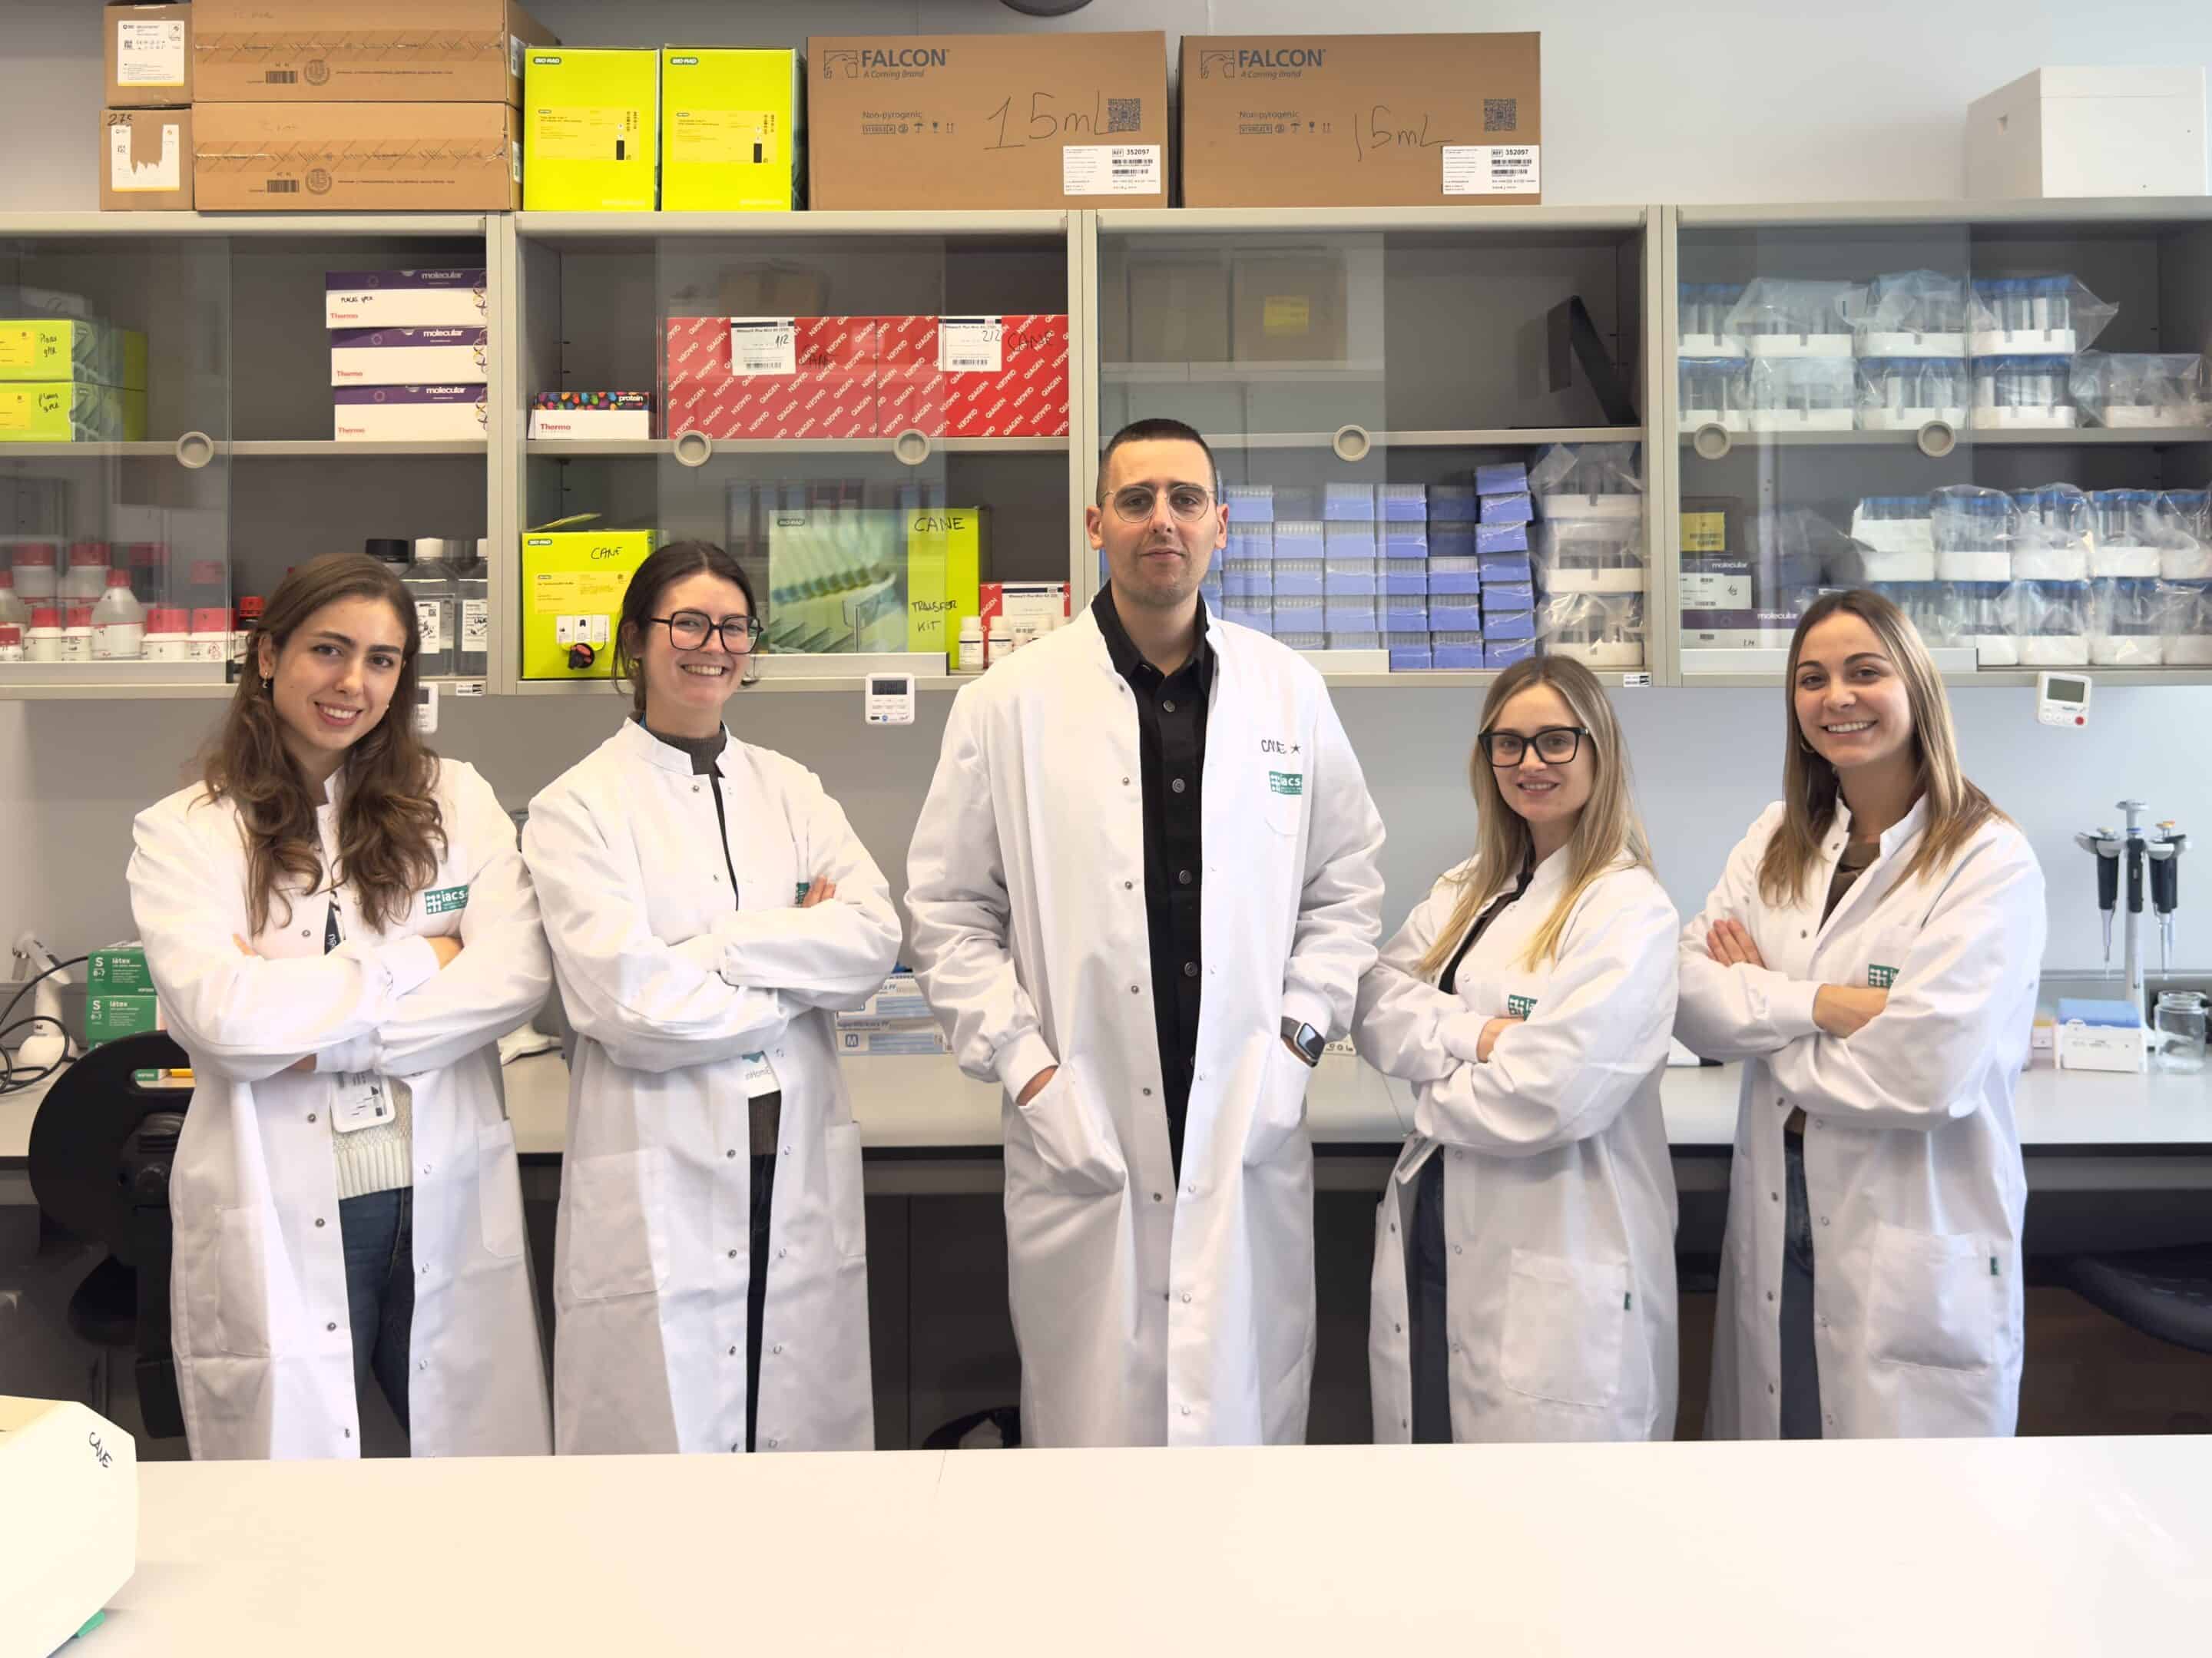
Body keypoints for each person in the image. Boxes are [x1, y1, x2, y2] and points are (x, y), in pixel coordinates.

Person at [906, 418, 1386, 1448]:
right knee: (1094, 1462)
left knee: (1243, 1451)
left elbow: (1346, 886)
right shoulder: (1009, 703)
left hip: (1247, 1112)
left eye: (1182, 499)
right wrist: (1028, 1070)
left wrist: (1299, 1043)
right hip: (1080, 1118)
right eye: (1134, 500)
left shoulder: (1287, 693)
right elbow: (948, 911)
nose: (1159, 520)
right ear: (1096, 524)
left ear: (1222, 524)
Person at [128, 552, 551, 1460]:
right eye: (329, 649)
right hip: (281, 1196)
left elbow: (516, 976)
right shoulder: (183, 833)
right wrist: (423, 961)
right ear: (269, 654)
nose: (353, 682)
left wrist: (310, 1035)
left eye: (382, 659)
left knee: (477, 1499)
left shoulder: (457, 799)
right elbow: (227, 1020)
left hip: (440, 1186)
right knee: (294, 1506)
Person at [523, 541, 899, 1455]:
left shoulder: (790, 787)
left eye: (733, 625)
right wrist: (788, 977)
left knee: (794, 1418)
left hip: (794, 1146)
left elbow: (873, 942)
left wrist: (715, 950)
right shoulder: (577, 807)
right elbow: (631, 1007)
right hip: (663, 1156)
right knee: (669, 1428)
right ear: (638, 642)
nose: (712, 644)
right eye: (686, 621)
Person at [1677, 588, 2045, 1439]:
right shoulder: (1777, 836)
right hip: (1781, 1193)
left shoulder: (1987, 859)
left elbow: (1926, 1073)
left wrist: (1764, 1021)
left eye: (1864, 671)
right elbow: (1692, 999)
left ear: (1916, 687)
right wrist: (1827, 1006)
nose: (1836, 696)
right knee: (1784, 1474)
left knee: (1910, 1522)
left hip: (1910, 1220)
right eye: (1812, 678)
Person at [1356, 655, 1680, 1443]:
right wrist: (1478, 1034)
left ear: (1598, 749)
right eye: (1509, 743)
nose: (1530, 762)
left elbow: (1554, 1092)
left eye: (1555, 741)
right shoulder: (1470, 887)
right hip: (1446, 1224)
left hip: (1562, 1250)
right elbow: (1372, 1004)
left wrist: (1429, 1087)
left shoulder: (1627, 908)